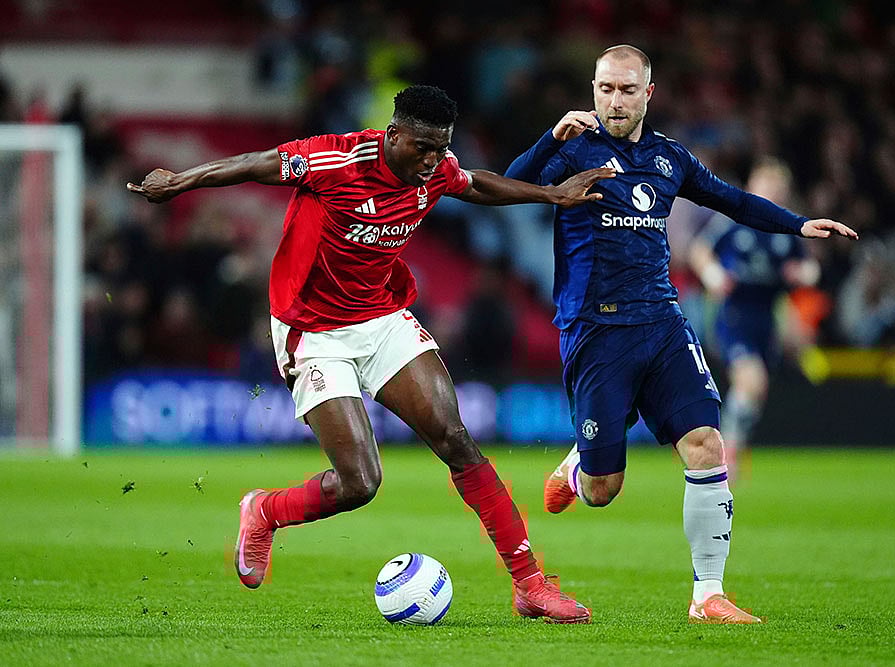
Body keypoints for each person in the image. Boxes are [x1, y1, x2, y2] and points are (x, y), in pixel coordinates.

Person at [128, 85, 614, 624]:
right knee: (360, 483)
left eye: (441, 149)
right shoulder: (335, 157)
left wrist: (552, 195)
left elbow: (475, 184)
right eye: (424, 148)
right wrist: (181, 182)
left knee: (456, 439)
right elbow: (255, 163)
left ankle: (530, 585)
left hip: (381, 318)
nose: (433, 163)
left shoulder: (436, 170)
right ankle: (264, 510)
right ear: (393, 135)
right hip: (312, 330)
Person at [504, 45, 857, 624]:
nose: (613, 101)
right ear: (593, 91)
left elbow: (733, 200)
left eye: (625, 90)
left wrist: (797, 224)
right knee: (603, 489)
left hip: (663, 321)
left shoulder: (669, 158)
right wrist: (548, 140)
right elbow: (504, 188)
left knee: (706, 445)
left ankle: (707, 595)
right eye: (604, 89)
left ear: (648, 93)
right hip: (596, 330)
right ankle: (578, 467)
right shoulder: (572, 150)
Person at [689, 157, 822, 482]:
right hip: (734, 316)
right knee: (752, 381)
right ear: (751, 188)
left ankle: (728, 444)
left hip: (767, 320)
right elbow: (699, 249)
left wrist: (803, 274)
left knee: (754, 392)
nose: (771, 197)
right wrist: (713, 275)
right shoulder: (733, 222)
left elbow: (810, 267)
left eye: (778, 191)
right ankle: (725, 452)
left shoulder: (785, 229)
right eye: (766, 188)